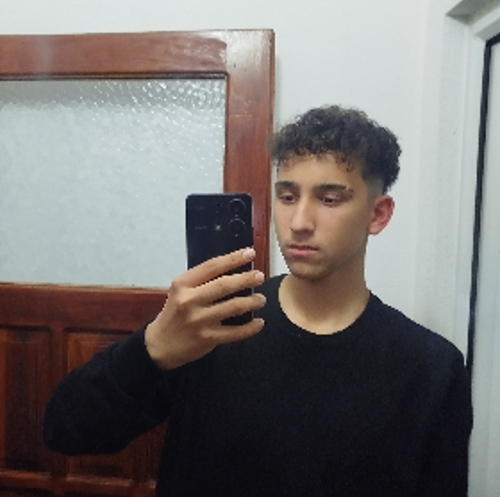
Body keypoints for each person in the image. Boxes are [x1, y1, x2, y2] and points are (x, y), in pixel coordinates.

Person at [43, 105, 473, 496]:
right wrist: (151, 349)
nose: (299, 222)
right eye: (287, 196)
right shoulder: (213, 325)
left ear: (378, 214)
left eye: (329, 199)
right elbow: (66, 430)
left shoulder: (430, 368)